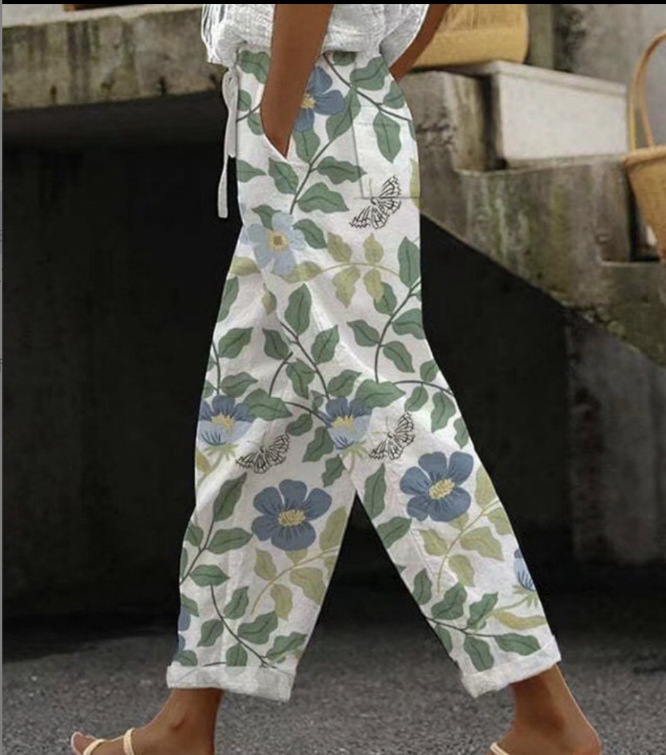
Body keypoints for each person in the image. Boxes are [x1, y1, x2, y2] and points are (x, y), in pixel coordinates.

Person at [71, 5, 602, 755]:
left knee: (391, 419)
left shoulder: (292, 110)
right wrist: (358, 82)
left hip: (306, 120)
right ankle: (186, 721)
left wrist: (281, 113)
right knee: (254, 422)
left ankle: (547, 712)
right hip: (331, 111)